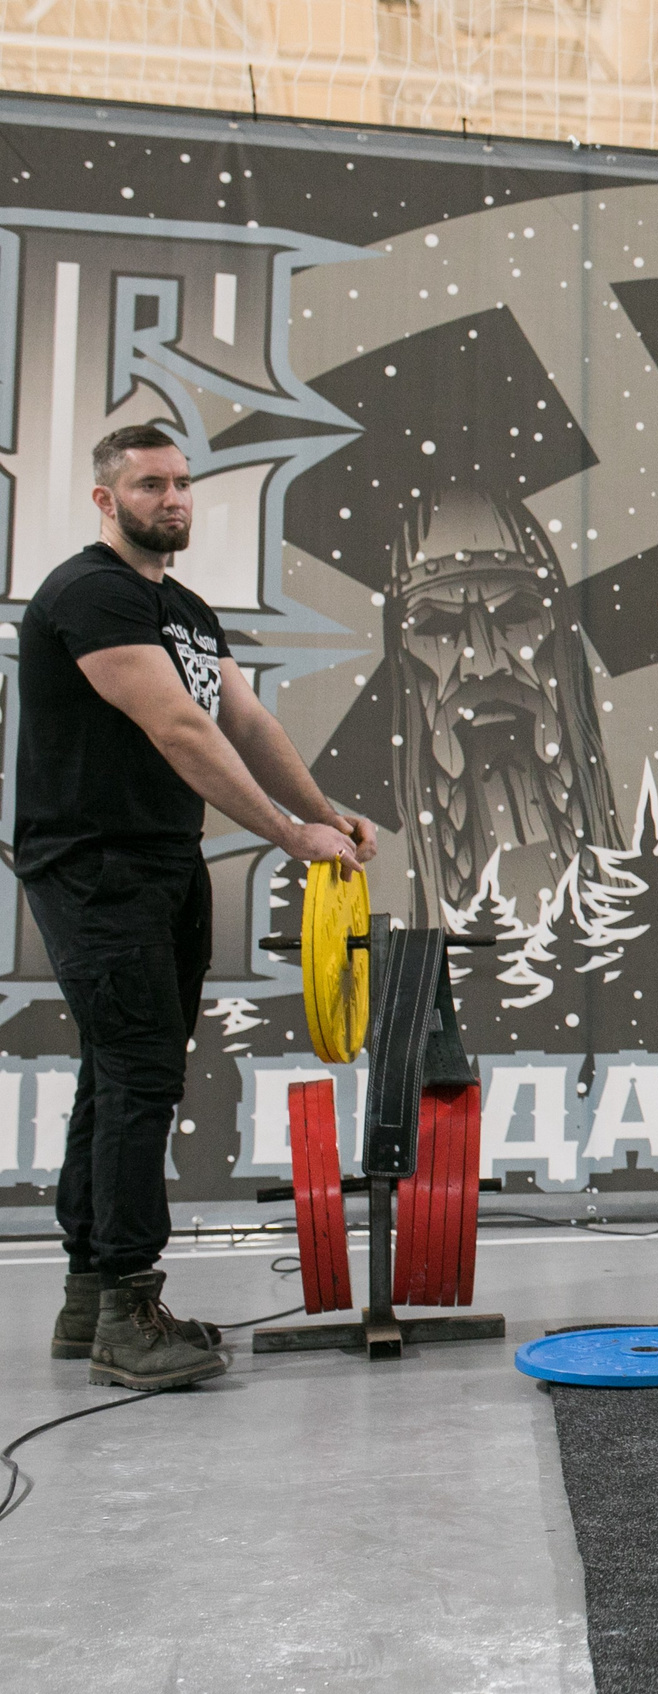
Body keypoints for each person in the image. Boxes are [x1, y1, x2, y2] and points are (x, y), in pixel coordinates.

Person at [21, 425, 374, 1391]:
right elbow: (176, 724)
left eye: (182, 483)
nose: (173, 499)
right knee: (138, 1075)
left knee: (118, 1072)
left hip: (164, 864)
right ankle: (131, 1310)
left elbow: (241, 717)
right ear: (105, 498)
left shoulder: (179, 606)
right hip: (97, 869)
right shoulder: (89, 594)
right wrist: (288, 836)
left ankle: (91, 1296)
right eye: (149, 485)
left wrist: (322, 811)